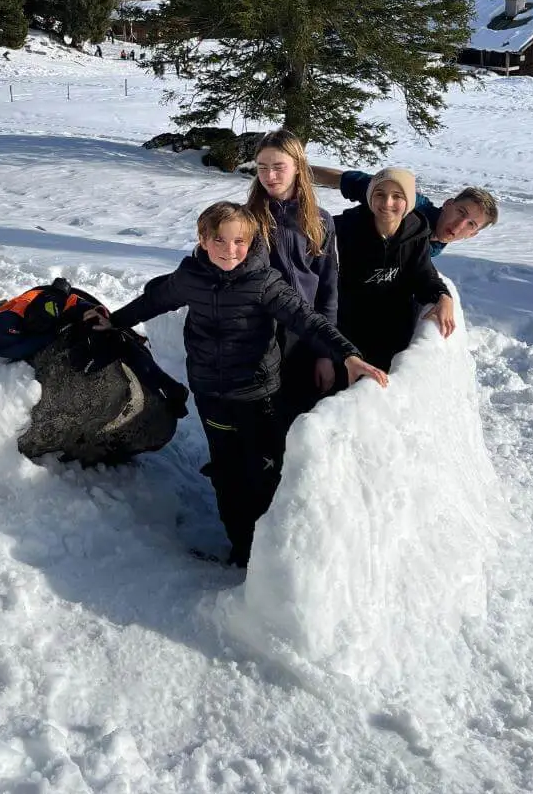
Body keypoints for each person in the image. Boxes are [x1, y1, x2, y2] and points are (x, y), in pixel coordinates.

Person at [88, 202, 385, 566]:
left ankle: (273, 557)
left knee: (263, 470)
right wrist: (114, 321)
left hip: (257, 396)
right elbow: (153, 301)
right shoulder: (190, 277)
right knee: (227, 473)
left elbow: (307, 319)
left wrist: (347, 354)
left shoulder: (263, 282)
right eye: (220, 240)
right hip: (211, 393)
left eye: (240, 241)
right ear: (202, 239)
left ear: (253, 240)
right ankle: (241, 549)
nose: (230, 250)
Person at [244, 130, 340, 419]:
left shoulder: (320, 220)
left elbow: (328, 289)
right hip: (260, 336)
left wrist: (325, 352)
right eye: (262, 168)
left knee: (299, 416)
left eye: (278, 167)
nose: (270, 176)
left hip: (304, 335)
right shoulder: (246, 219)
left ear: (298, 166)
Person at [333, 167, 455, 374]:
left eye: (397, 196)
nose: (387, 203)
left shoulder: (416, 235)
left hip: (394, 333)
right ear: (370, 197)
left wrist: (444, 297)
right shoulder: (343, 228)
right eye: (380, 194)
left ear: (408, 202)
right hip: (347, 328)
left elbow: (424, 276)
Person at [309, 164, 497, 258]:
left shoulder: (433, 249)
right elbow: (348, 180)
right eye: (461, 212)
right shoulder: (411, 203)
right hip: (309, 236)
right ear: (448, 204)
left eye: (471, 224)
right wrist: (295, 171)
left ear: (473, 234)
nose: (459, 224)